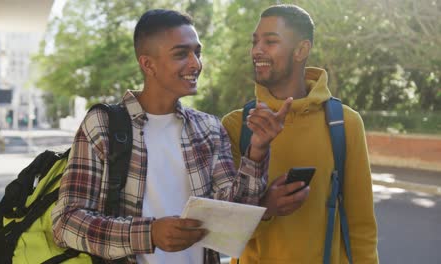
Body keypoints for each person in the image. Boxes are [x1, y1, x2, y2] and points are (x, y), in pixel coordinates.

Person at [51, 9, 291, 264]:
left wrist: (258, 150)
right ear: (148, 64)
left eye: (197, 52)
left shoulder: (208, 128)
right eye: (181, 54)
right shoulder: (103, 124)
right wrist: (149, 233)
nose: (195, 63)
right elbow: (66, 223)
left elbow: (233, 214)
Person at [222, 4, 379, 264]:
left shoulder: (344, 123)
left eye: (270, 41)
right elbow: (224, 230)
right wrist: (266, 208)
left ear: (301, 50)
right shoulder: (237, 125)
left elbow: (360, 227)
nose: (257, 50)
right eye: (255, 41)